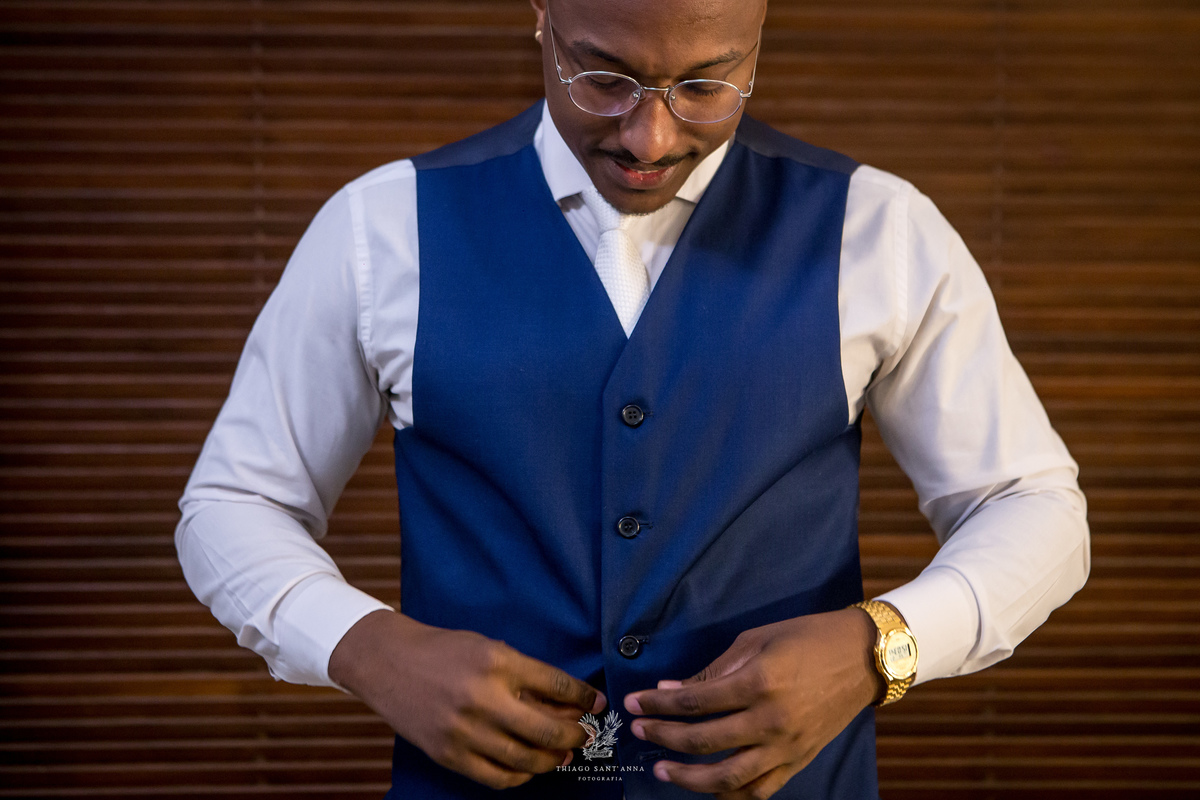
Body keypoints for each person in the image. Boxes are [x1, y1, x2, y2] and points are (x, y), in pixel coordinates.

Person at [175, 0, 1090, 797]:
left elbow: (1033, 506)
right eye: (604, 79)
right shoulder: (379, 229)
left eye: (706, 84)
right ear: (542, 14)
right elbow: (234, 503)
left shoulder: (881, 230)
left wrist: (878, 646)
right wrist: (368, 648)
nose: (650, 137)